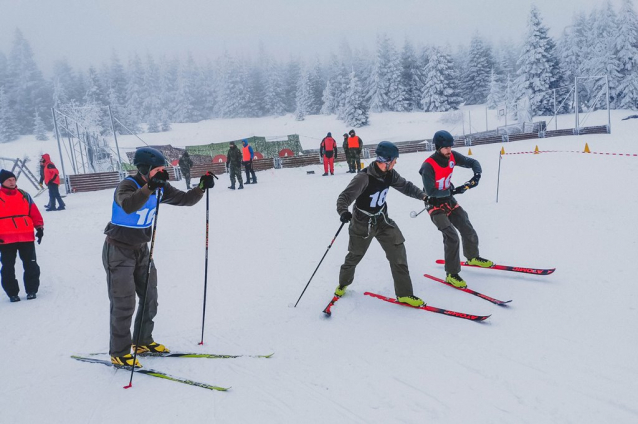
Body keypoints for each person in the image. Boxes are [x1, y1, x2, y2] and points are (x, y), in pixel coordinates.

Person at [102, 147, 215, 368]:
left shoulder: (160, 185)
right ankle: (119, 352)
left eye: (164, 169)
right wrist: (150, 187)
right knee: (123, 303)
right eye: (158, 169)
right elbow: (128, 205)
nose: (163, 173)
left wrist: (201, 188)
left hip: (142, 249)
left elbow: (184, 199)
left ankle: (142, 342)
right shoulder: (127, 185)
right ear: (145, 169)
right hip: (118, 250)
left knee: (150, 297)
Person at [335, 141, 428, 307]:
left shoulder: (390, 174)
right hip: (362, 224)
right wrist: (343, 212)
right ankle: (343, 284)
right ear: (386, 160)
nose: (396, 163)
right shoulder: (363, 177)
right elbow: (344, 197)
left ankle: (405, 294)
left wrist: (423, 196)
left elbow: (405, 186)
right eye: (394, 160)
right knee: (354, 255)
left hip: (382, 220)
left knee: (398, 250)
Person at [419, 130, 493, 289]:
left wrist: (477, 174)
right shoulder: (428, 166)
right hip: (434, 203)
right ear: (438, 147)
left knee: (465, 224)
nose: (449, 150)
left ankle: (472, 256)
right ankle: (451, 274)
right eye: (445, 148)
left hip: (448, 199)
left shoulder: (452, 156)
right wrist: (454, 190)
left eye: (450, 147)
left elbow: (472, 162)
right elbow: (430, 191)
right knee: (451, 236)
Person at [0, 170, 44, 302]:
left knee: (31, 264)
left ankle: (31, 290)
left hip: (26, 237)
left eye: (13, 179)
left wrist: (39, 228)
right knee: (8, 267)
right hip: (5, 239)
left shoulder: (24, 195)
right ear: (2, 182)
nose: (12, 182)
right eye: (9, 180)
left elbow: (34, 212)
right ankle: (12, 293)